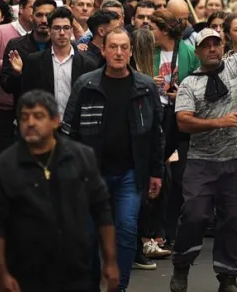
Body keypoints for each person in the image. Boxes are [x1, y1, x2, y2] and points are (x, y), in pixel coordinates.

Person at [0, 90, 118, 292]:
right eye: (24, 118)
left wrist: (110, 261)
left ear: (55, 121)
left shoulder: (81, 158)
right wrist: (2, 274)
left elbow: (102, 210)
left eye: (38, 116)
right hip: (25, 276)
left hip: (76, 272)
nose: (30, 123)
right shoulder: (3, 167)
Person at [62, 28, 164, 292]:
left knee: (127, 230)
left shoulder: (145, 86)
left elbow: (155, 133)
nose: (119, 52)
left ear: (130, 51)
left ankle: (118, 287)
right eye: (113, 47)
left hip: (131, 172)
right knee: (89, 236)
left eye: (124, 47)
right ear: (104, 50)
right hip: (91, 176)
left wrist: (157, 172)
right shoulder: (86, 84)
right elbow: (69, 131)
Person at [169, 29, 237, 292]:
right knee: (194, 215)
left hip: (236, 162)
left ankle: (228, 277)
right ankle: (181, 265)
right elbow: (183, 122)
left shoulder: (235, 66)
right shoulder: (189, 84)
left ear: (224, 45)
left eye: (217, 44)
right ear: (198, 52)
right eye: (206, 46)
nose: (212, 49)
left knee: (236, 220)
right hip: (201, 163)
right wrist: (219, 122)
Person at [0, 0, 39, 157]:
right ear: (21, 9)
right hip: (1, 110)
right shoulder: (0, 32)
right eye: (33, 8)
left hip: (31, 109)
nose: (38, 14)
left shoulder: (42, 37)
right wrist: (8, 64)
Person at [6, 6, 93, 116]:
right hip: (44, 124)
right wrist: (17, 74)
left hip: (74, 126)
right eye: (57, 28)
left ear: (71, 30)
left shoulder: (87, 63)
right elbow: (25, 95)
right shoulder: (34, 60)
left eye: (66, 28)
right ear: (49, 30)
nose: (62, 33)